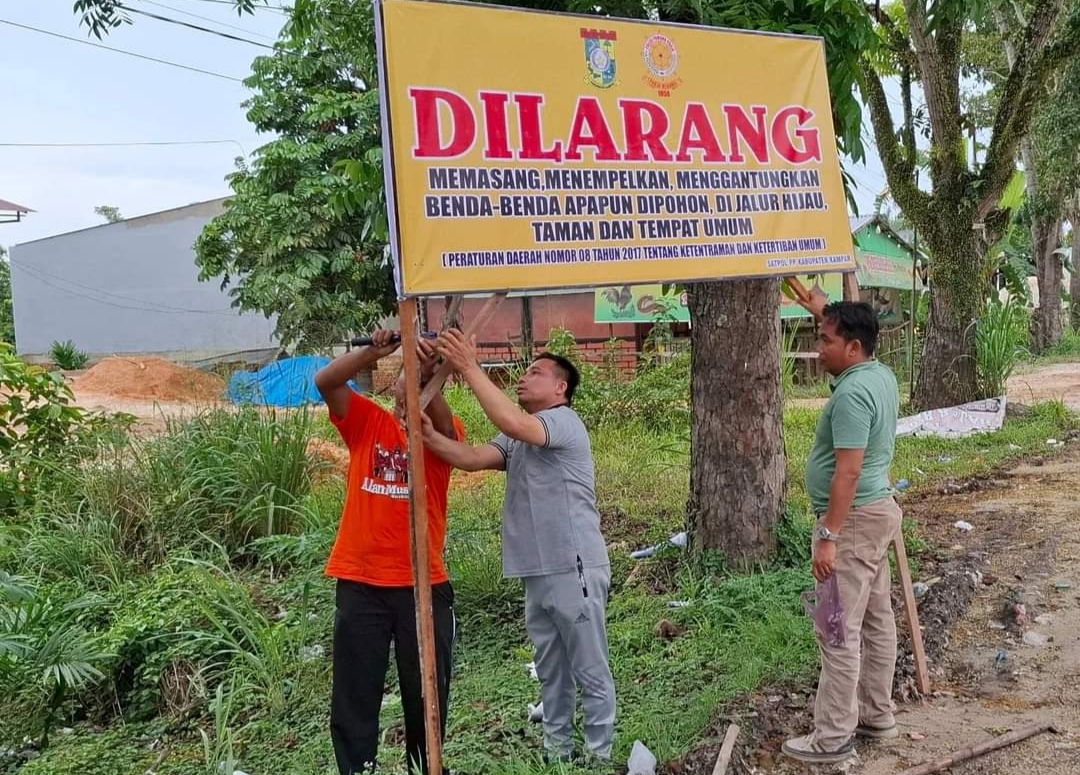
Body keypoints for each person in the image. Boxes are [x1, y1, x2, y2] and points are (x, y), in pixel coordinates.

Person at [419, 330, 616, 764]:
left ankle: (599, 757)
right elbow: (471, 458)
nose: (523, 379)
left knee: (588, 666)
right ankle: (558, 753)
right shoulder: (519, 439)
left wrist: (469, 367)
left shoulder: (562, 422)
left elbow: (512, 421)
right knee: (551, 669)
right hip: (537, 570)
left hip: (573, 564)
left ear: (560, 388)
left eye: (536, 373)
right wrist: (431, 436)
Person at [315, 329, 463, 775]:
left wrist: (429, 373)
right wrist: (374, 351)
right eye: (405, 378)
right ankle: (357, 769)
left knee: (427, 696)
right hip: (361, 582)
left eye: (421, 380)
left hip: (423, 584)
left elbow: (436, 413)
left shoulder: (443, 433)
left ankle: (426, 768)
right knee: (356, 694)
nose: (410, 385)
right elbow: (326, 382)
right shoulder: (368, 423)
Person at [782, 301, 903, 765]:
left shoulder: (852, 395)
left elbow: (847, 473)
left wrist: (829, 533)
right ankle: (877, 713)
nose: (818, 348)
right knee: (876, 618)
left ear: (853, 347)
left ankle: (831, 738)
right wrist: (825, 309)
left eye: (826, 339)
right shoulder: (880, 374)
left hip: (851, 522)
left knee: (836, 629)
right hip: (876, 514)